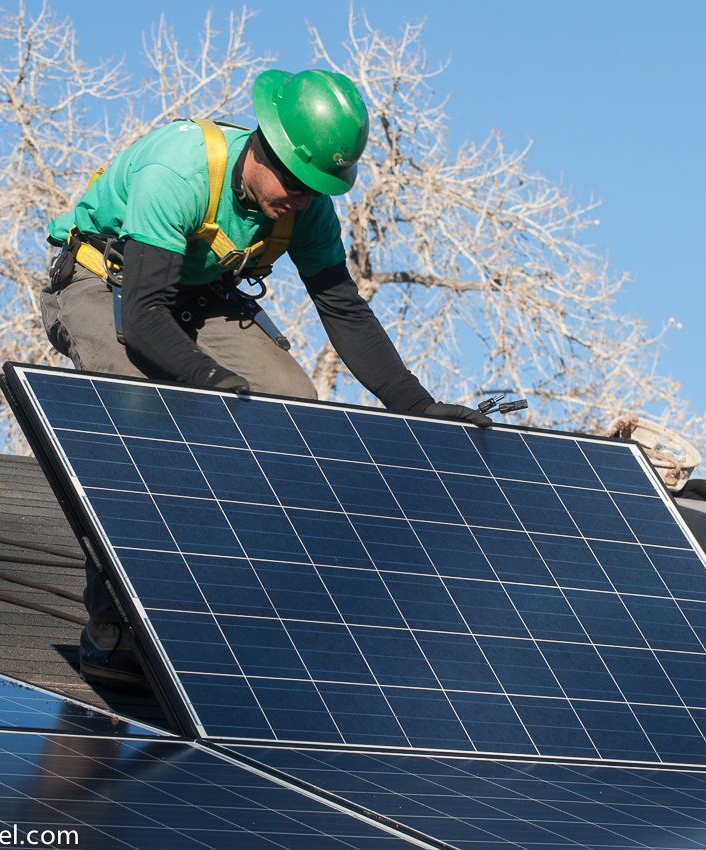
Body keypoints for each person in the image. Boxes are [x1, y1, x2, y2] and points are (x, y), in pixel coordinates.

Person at [41, 69, 491, 690]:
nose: (303, 199)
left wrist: (415, 403)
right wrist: (210, 379)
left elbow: (345, 311)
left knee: (289, 408)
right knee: (145, 427)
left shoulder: (306, 209)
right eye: (297, 183)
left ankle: (240, 612)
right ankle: (114, 628)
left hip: (197, 297)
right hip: (108, 285)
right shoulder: (179, 171)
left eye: (317, 189)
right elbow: (144, 319)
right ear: (265, 146)